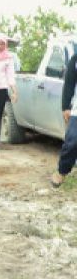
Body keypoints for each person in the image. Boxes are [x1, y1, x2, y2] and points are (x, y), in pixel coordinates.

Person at [52, 47, 77, 187]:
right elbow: (69, 83)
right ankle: (62, 171)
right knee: (72, 140)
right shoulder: (75, 60)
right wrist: (66, 106)